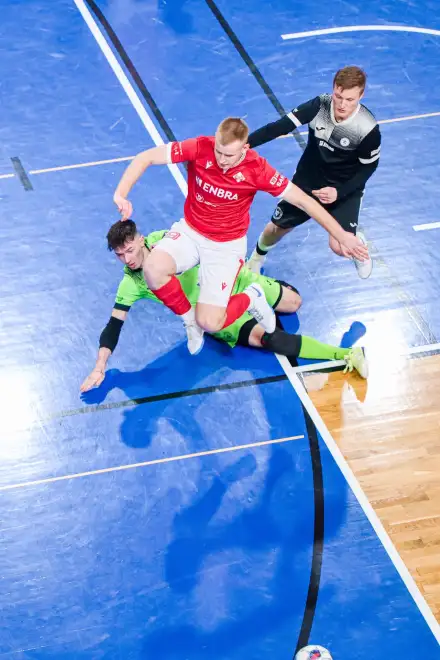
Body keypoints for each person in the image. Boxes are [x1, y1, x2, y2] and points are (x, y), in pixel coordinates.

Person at [113, 117, 368, 356]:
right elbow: (146, 157)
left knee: (211, 322)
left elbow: (304, 201)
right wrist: (121, 194)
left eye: (229, 155)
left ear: (245, 148)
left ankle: (252, 296)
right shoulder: (200, 147)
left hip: (225, 246)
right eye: (219, 152)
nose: (222, 160)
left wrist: (341, 235)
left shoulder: (257, 169)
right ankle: (189, 321)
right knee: (153, 269)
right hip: (191, 231)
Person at [79, 220, 368, 393]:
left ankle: (259, 287)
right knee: (268, 339)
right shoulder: (130, 285)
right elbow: (113, 326)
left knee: (294, 303)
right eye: (120, 255)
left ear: (141, 240)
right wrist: (100, 367)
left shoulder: (164, 240)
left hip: (231, 280)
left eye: (129, 250)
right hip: (213, 312)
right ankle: (347, 354)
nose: (127, 259)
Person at [246, 66, 381, 279]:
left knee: (339, 246)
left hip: (344, 188)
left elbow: (368, 167)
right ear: (333, 89)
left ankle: (358, 244)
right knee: (275, 229)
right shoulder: (319, 106)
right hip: (308, 181)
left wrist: (339, 192)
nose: (342, 105)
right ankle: (255, 259)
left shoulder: (367, 128)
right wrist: (245, 143)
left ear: (361, 96)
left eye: (350, 100)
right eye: (338, 97)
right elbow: (280, 127)